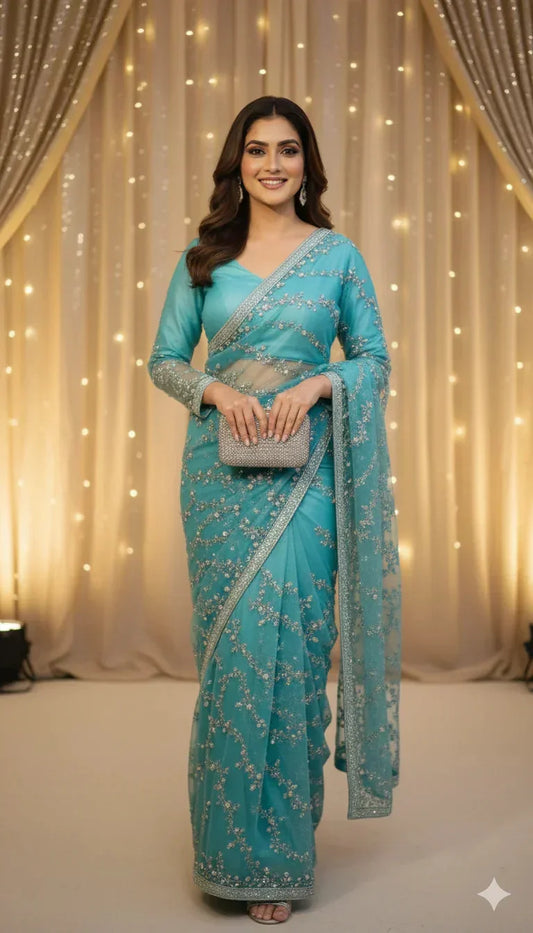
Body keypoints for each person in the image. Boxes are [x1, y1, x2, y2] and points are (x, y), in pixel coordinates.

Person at [147, 95, 402, 925]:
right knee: (233, 659)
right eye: (256, 150)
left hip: (306, 481)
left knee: (291, 654)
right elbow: (162, 360)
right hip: (218, 484)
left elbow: (372, 358)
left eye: (287, 150)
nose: (271, 164)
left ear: (306, 163)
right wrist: (214, 389)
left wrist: (322, 383)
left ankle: (280, 859)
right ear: (237, 162)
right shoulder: (204, 258)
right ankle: (227, 852)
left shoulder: (337, 258)